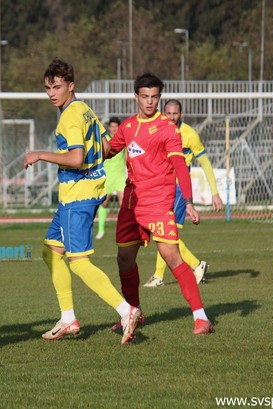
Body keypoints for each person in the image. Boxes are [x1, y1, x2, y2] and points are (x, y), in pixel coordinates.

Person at [23, 58, 142, 345]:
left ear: (70, 86)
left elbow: (76, 158)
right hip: (76, 196)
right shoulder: (86, 110)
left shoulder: (69, 117)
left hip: (78, 196)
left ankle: (126, 310)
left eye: (57, 87)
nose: (52, 93)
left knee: (78, 262)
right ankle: (68, 318)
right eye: (48, 88)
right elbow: (106, 148)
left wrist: (40, 154)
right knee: (51, 251)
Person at [108, 73, 214, 335]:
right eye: (145, 97)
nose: (150, 102)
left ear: (159, 97)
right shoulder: (128, 127)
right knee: (124, 260)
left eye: (155, 97)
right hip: (131, 204)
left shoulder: (167, 128)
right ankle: (134, 313)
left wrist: (187, 202)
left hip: (157, 203)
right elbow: (109, 150)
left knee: (171, 255)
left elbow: (180, 165)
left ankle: (201, 318)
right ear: (136, 97)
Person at [143, 99, 224, 288]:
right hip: (162, 186)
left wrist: (215, 192)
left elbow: (204, 162)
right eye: (168, 113)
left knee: (165, 232)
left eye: (175, 114)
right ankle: (184, 268)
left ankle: (175, 271)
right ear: (163, 113)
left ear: (181, 114)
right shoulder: (157, 129)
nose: (171, 117)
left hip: (179, 188)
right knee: (162, 231)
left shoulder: (189, 134)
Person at [96, 117, 125, 240]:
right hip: (107, 176)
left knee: (123, 204)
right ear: (109, 128)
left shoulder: (123, 140)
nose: (114, 129)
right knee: (104, 203)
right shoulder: (104, 140)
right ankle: (101, 230)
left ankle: (124, 230)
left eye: (116, 126)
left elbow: (128, 156)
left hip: (120, 176)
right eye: (112, 126)